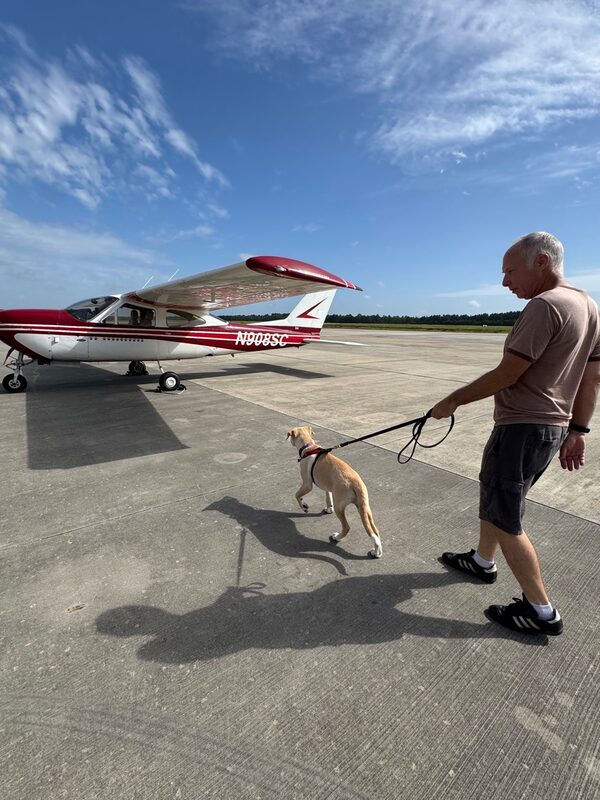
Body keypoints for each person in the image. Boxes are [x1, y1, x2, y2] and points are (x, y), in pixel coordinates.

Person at [431, 232, 600, 636]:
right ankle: (482, 561)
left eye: (510, 270)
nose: (505, 281)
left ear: (541, 262)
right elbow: (592, 379)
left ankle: (541, 611)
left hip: (522, 427)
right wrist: (578, 430)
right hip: (550, 429)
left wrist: (452, 400)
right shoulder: (589, 306)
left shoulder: (544, 306)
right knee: (497, 498)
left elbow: (508, 373)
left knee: (507, 518)